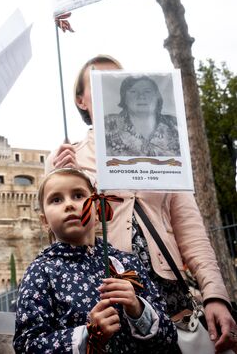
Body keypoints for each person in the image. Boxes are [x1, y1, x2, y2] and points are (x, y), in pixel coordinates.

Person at [46, 54, 237, 352]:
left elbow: (191, 231)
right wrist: (58, 177)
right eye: (99, 82)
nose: (110, 87)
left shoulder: (165, 149)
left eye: (117, 80)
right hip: (108, 292)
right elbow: (57, 237)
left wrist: (215, 294)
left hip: (169, 290)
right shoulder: (69, 159)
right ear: (82, 100)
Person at [13, 168, 177, 353]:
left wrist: (138, 310)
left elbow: (169, 337)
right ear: (44, 221)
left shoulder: (128, 263)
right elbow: (27, 346)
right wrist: (88, 335)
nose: (69, 205)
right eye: (56, 199)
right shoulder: (40, 272)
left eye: (78, 195)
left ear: (99, 209)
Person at [104, 74, 181, 156]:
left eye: (147, 91)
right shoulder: (107, 124)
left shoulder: (175, 124)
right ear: (124, 98)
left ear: (157, 97)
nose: (141, 96)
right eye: (133, 91)